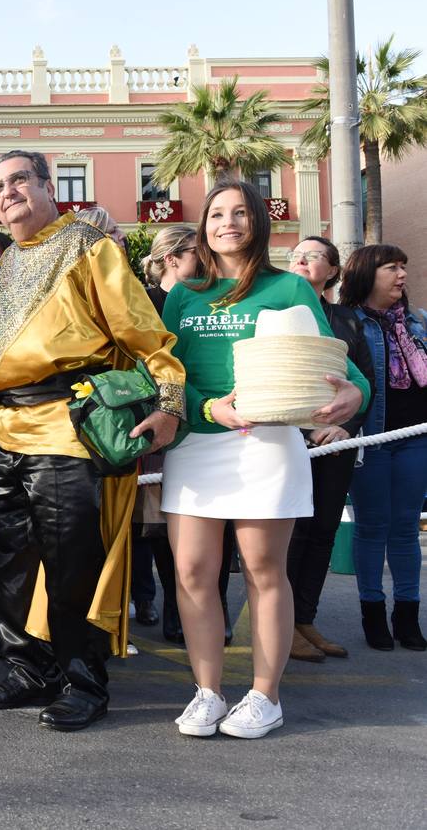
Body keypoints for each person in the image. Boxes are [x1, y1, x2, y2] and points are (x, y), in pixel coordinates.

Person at [0, 150, 184, 732]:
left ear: (48, 186)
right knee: (14, 565)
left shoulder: (91, 246)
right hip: (7, 430)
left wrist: (169, 405)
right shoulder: (10, 258)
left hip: (69, 428)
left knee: (72, 567)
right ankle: (28, 669)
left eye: (20, 179)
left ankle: (83, 681)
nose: (7, 191)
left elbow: (146, 335)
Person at [162, 179, 367, 739]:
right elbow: (166, 378)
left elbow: (340, 369)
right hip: (199, 442)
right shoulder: (184, 293)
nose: (227, 223)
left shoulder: (290, 290)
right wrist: (208, 408)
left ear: (258, 221)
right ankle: (207, 692)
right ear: (204, 225)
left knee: (262, 570)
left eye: (239, 213)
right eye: (216, 214)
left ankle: (265, 697)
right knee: (193, 572)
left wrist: (357, 395)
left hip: (268, 444)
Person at [285, 237, 373, 662]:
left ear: (334, 271)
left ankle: (305, 620)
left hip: (335, 443)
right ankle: (282, 625)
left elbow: (364, 381)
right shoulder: (276, 313)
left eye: (313, 255)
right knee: (292, 534)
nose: (300, 259)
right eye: (295, 254)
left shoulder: (349, 321)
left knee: (322, 533)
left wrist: (344, 427)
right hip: (287, 439)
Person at [341, 244, 427, 652]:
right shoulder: (347, 324)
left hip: (416, 439)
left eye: (403, 266)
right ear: (365, 274)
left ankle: (407, 617)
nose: (401, 274)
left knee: (406, 527)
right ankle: (373, 614)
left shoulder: (418, 322)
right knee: (373, 528)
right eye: (392, 267)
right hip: (369, 440)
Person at [132, 227, 200, 640]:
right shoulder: (143, 300)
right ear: (173, 257)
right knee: (144, 525)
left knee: (179, 528)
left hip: (191, 423)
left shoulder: (200, 300)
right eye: (197, 251)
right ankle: (145, 600)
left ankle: (180, 614)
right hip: (148, 421)